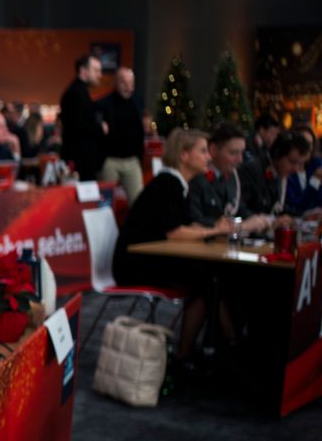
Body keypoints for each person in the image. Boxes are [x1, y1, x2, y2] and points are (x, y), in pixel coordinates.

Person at [114, 128, 271, 361]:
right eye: (203, 151)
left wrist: (212, 229)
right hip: (134, 265)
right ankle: (213, 348)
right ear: (184, 155)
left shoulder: (176, 183)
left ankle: (218, 346)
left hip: (149, 259)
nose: (208, 157)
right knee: (207, 280)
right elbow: (175, 232)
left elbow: (183, 226)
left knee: (210, 278)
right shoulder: (168, 183)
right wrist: (216, 230)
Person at [94, 67, 145, 198]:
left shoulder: (137, 101)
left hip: (132, 161)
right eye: (124, 82)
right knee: (105, 202)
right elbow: (91, 117)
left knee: (138, 203)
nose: (128, 87)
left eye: (131, 83)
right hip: (110, 161)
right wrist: (99, 123)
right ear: (116, 83)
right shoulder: (103, 103)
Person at [188, 121, 249, 224]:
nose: (240, 160)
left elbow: (240, 209)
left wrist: (261, 220)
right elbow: (195, 221)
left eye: (241, 153)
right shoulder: (196, 177)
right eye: (233, 153)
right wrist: (239, 226)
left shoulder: (233, 178)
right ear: (213, 150)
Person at [59, 54, 106, 182]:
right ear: (83, 71)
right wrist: (100, 127)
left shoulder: (79, 92)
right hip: (80, 163)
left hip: (81, 161)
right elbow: (78, 126)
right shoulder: (75, 93)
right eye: (96, 70)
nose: (99, 75)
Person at [240, 131, 302, 216]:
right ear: (278, 154)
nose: (295, 169)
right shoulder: (253, 170)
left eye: (299, 164)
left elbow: (277, 208)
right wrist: (270, 221)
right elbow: (242, 210)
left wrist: (303, 216)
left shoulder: (280, 173)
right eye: (292, 162)